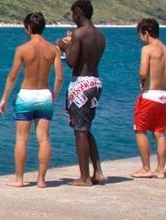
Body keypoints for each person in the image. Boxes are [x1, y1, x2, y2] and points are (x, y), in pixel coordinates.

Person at [0, 12, 63, 187]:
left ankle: (19, 179)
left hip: (26, 95)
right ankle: (41, 180)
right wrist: (54, 95)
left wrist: (4, 99)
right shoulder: (53, 49)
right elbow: (59, 77)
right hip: (44, 95)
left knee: (21, 139)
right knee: (44, 139)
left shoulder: (22, 49)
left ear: (28, 28)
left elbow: (12, 76)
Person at [57, 0, 106, 186]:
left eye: (74, 15)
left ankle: (84, 177)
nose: (73, 18)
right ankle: (98, 171)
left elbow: (71, 62)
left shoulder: (79, 34)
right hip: (95, 81)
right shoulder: (100, 35)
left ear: (79, 13)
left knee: (80, 131)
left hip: (81, 83)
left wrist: (64, 45)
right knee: (86, 129)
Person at [132, 18, 166, 179]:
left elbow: (143, 72)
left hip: (150, 95)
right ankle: (161, 169)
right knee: (160, 133)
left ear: (146, 33)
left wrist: (143, 80)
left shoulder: (148, 49)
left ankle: (146, 168)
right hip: (164, 96)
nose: (140, 38)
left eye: (140, 35)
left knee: (140, 130)